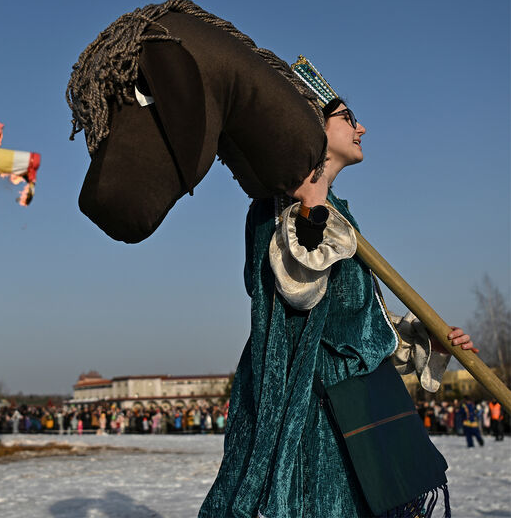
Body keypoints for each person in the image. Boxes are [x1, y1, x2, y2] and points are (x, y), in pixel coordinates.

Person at [199, 96, 478, 518]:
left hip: (354, 407)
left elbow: (355, 323)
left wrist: (427, 342)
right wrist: (311, 208)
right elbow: (299, 293)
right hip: (314, 416)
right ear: (312, 126)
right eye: (348, 117)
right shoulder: (277, 205)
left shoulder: (338, 211)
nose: (361, 128)